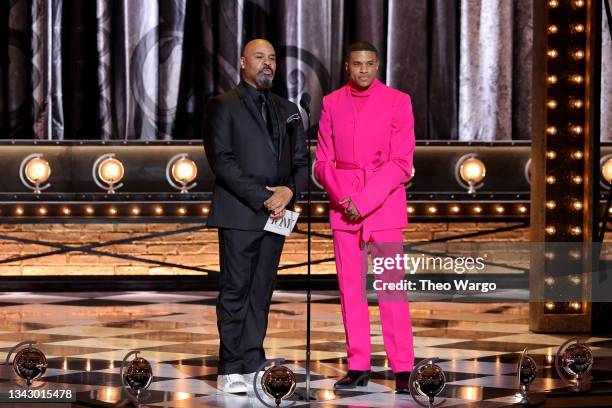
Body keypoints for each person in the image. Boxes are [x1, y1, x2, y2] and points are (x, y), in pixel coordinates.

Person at [203, 39, 308, 393]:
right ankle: (229, 366)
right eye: (260, 58)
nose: (268, 64)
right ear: (243, 62)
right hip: (240, 212)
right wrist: (265, 198)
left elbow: (300, 162)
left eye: (273, 59)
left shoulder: (287, 108)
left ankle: (252, 360)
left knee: (261, 292)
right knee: (235, 290)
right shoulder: (222, 105)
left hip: (278, 214)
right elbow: (222, 161)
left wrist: (289, 192)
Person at [314, 40, 416, 393]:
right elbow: (323, 162)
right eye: (357, 64)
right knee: (350, 291)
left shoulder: (398, 101)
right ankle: (358, 365)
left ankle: (403, 367)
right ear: (347, 66)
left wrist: (365, 201)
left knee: (392, 290)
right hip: (345, 210)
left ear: (377, 65)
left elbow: (402, 162)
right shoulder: (331, 103)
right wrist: (346, 200)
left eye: (369, 64)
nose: (363, 70)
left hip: (384, 206)